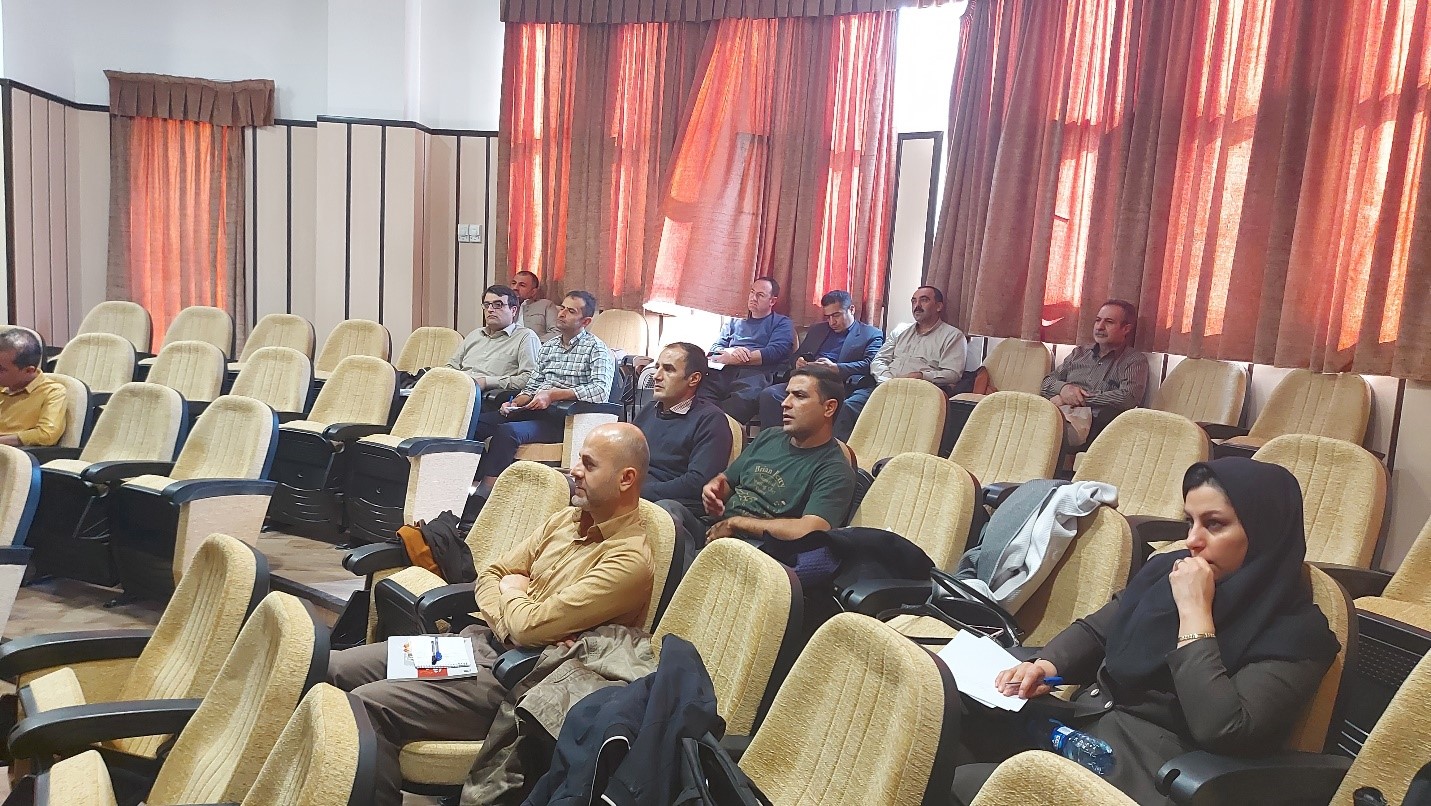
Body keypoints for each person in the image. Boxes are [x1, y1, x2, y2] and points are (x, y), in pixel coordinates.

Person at [951, 457, 1340, 805]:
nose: (1192, 540)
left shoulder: (1297, 634)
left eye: (1214, 524)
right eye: (1190, 522)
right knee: (947, 723)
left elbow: (1222, 728)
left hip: (1151, 774)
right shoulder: (1167, 569)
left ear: (1264, 533)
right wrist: (1044, 665)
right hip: (1084, 727)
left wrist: (1195, 614)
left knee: (961, 784)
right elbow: (1099, 630)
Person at [327, 423, 656, 806]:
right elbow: (492, 575)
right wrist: (512, 614)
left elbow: (528, 627)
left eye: (588, 463)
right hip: (477, 645)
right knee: (334, 668)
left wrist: (514, 598)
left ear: (626, 479)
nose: (574, 470)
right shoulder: (564, 522)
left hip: (520, 679)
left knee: (367, 704)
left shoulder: (629, 560)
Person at [660, 366, 855, 564]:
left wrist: (737, 524)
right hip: (716, 527)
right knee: (665, 512)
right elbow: (727, 480)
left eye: (799, 396)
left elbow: (811, 529)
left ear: (829, 408)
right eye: (787, 394)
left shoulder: (835, 469)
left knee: (677, 560)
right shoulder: (770, 436)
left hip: (756, 551)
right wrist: (715, 490)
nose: (785, 403)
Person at [472, 291, 615, 487]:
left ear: (586, 321)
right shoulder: (549, 346)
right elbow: (532, 385)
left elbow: (600, 391)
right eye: (562, 308)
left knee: (508, 432)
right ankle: (471, 482)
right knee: (476, 423)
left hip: (564, 419)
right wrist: (515, 402)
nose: (562, 313)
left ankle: (486, 492)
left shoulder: (596, 349)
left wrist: (553, 395)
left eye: (571, 311)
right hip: (534, 409)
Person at [756, 290, 884, 441]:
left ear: (851, 309)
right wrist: (798, 361)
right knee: (770, 395)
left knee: (845, 406)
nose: (832, 322)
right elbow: (796, 355)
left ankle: (826, 449)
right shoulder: (818, 330)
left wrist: (837, 368)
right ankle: (774, 443)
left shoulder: (870, 334)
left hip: (839, 385)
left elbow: (870, 364)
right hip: (808, 381)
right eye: (828, 317)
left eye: (836, 315)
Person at [633, 342, 733, 516]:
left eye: (668, 369)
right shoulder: (649, 410)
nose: (656, 376)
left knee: (665, 510)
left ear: (693, 379)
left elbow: (697, 482)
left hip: (676, 506)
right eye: (657, 367)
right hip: (635, 494)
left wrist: (639, 492)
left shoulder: (711, 420)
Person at [1039, 299, 1148, 447]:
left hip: (1094, 425)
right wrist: (1064, 389)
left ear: (1126, 329)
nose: (1100, 327)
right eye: (1098, 320)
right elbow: (1047, 382)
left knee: (1044, 433)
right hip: (1056, 413)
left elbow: (1128, 398)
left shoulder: (1133, 360)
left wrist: (1073, 399)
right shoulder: (1079, 353)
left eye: (1109, 322)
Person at [700, 277, 797, 423]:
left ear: (772, 301)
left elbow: (775, 351)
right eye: (752, 292)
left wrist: (737, 358)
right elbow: (715, 348)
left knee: (737, 404)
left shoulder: (782, 322)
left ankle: (721, 431)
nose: (753, 298)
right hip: (724, 370)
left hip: (756, 374)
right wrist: (731, 354)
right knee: (699, 395)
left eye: (760, 295)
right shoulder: (735, 319)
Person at [869, 286, 968, 390]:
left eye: (924, 300)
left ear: (938, 306)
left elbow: (953, 374)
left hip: (919, 390)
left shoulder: (953, 336)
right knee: (858, 399)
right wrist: (888, 380)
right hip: (884, 387)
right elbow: (879, 360)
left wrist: (922, 376)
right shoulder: (900, 330)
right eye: (914, 301)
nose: (917, 306)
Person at [445, 284, 541, 392]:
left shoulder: (525, 337)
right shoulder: (474, 335)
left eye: (498, 305)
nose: (490, 309)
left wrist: (487, 382)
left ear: (513, 310)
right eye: (487, 305)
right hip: (456, 389)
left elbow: (530, 378)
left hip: (487, 395)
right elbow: (450, 367)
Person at [0, 328, 65, 448]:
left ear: (29, 370)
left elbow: (47, 434)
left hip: (17, 453)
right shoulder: (3, 385)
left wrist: (3, 441)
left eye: (1, 369)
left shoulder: (52, 392)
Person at [513, 270, 559, 337]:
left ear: (533, 292)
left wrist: (535, 342)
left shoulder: (546, 305)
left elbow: (556, 332)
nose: (515, 288)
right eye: (513, 283)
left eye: (522, 285)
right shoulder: (504, 307)